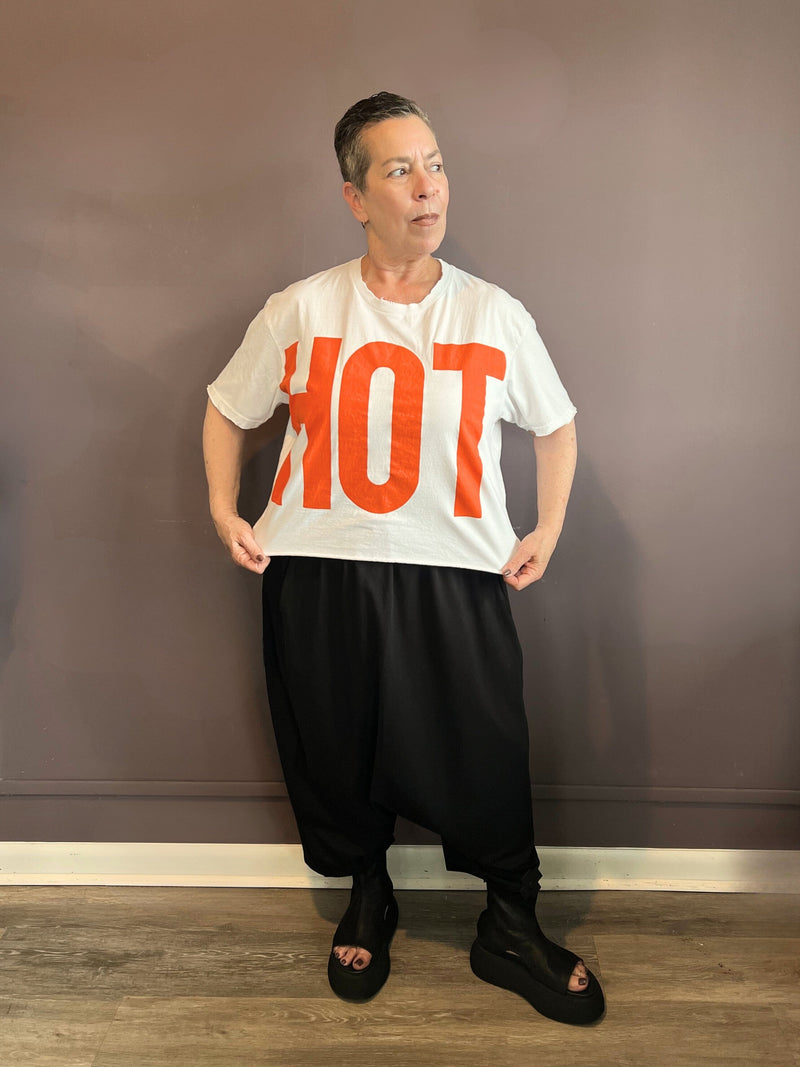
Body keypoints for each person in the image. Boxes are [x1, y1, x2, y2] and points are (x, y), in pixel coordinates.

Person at [202, 91, 604, 1025]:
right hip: (316, 569)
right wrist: (224, 508)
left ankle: (510, 923)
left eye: (437, 165)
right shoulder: (302, 308)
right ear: (355, 197)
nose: (429, 187)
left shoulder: (494, 314)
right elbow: (227, 407)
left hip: (455, 570)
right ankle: (368, 893)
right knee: (337, 742)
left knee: (484, 748)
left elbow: (556, 425)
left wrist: (547, 527)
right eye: (400, 170)